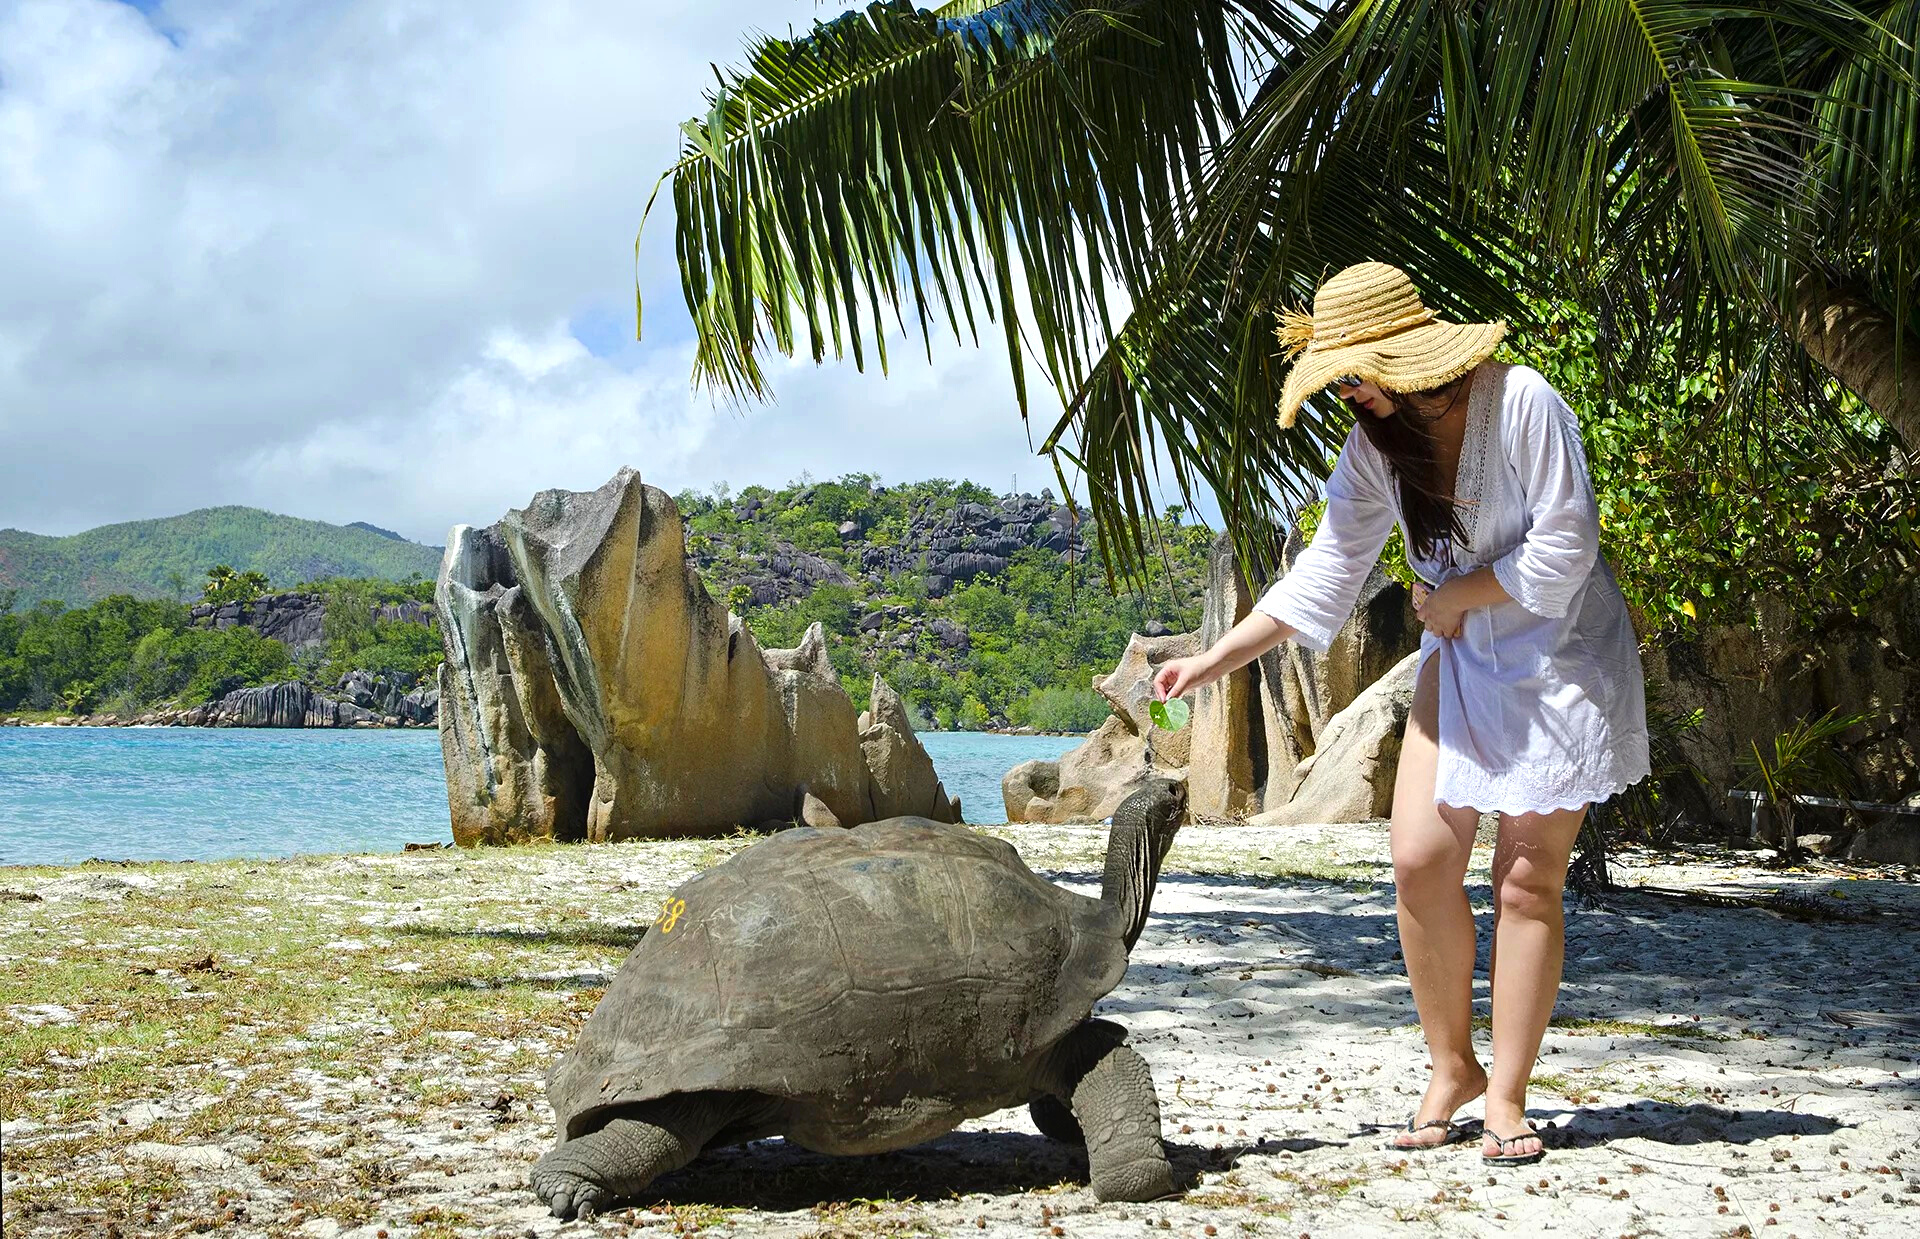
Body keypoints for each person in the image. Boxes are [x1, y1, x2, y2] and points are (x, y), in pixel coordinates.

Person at [1152, 262, 1649, 1166]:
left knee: (1527, 882)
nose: (1348, 391)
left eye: (1354, 373)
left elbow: (1568, 548)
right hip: (1460, 657)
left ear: (1408, 357)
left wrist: (1460, 591)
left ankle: (1506, 1093)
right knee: (1419, 856)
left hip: (1563, 655)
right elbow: (1326, 573)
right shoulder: (1375, 447)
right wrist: (1213, 657)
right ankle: (1451, 1063)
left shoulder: (1526, 403)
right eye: (1337, 379)